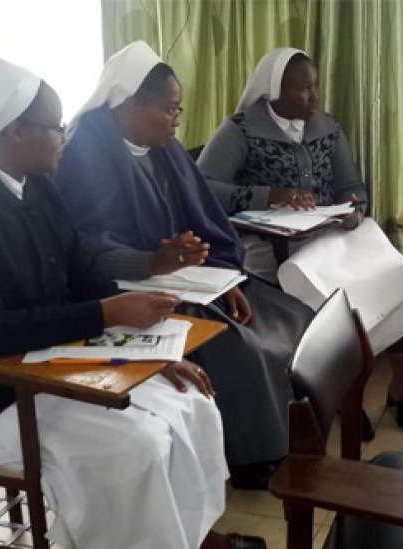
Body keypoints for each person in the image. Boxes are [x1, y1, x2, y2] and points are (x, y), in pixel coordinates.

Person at [0, 58, 264, 549]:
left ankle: (192, 535)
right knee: (135, 445)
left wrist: (148, 350)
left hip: (55, 356)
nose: (65, 136)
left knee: (194, 401)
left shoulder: (36, 184)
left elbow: (82, 272)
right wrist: (105, 315)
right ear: (14, 131)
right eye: (55, 127)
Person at [54, 41, 313, 489]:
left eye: (179, 109)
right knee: (243, 347)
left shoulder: (162, 146)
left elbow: (201, 227)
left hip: (187, 278)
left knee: (293, 314)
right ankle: (253, 458)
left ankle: (303, 424)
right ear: (134, 104)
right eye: (170, 109)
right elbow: (87, 253)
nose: (178, 120)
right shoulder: (86, 154)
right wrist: (154, 261)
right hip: (126, 289)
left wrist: (223, 277)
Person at [198, 48, 403, 435]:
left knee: (393, 278)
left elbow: (352, 187)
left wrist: (355, 211)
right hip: (273, 244)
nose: (314, 97)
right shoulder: (241, 128)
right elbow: (203, 186)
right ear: (275, 90)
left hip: (333, 236)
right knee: (340, 298)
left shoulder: (327, 126)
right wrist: (271, 194)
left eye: (315, 86)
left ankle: (400, 389)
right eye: (304, 89)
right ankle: (343, 391)